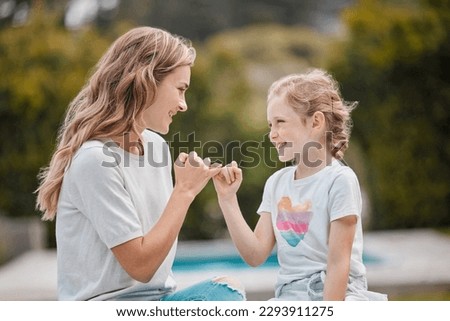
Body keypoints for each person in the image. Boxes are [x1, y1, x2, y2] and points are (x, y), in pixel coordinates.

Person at [35, 26, 245, 301]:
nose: (184, 105)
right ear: (146, 82)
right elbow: (141, 266)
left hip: (155, 301)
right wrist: (184, 192)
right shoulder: (95, 161)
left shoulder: (157, 147)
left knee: (228, 288)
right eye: (180, 89)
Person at [213, 69, 387, 301]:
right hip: (290, 296)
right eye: (270, 125)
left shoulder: (339, 180)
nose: (272, 135)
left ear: (315, 122)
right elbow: (255, 255)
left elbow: (338, 264)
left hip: (338, 294)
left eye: (280, 122)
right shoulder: (276, 184)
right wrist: (227, 199)